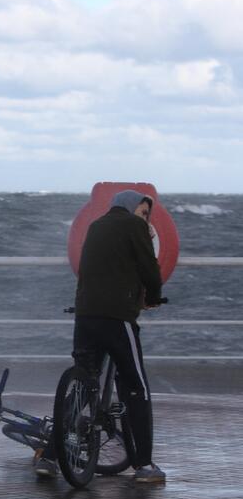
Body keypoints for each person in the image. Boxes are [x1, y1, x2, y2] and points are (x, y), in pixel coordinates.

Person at [36, 190, 165, 482]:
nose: (145, 219)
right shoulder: (135, 227)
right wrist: (154, 296)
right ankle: (144, 465)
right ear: (132, 208)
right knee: (137, 386)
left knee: (83, 385)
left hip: (85, 316)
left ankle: (50, 459)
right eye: (143, 212)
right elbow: (149, 268)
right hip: (117, 317)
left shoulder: (96, 225)